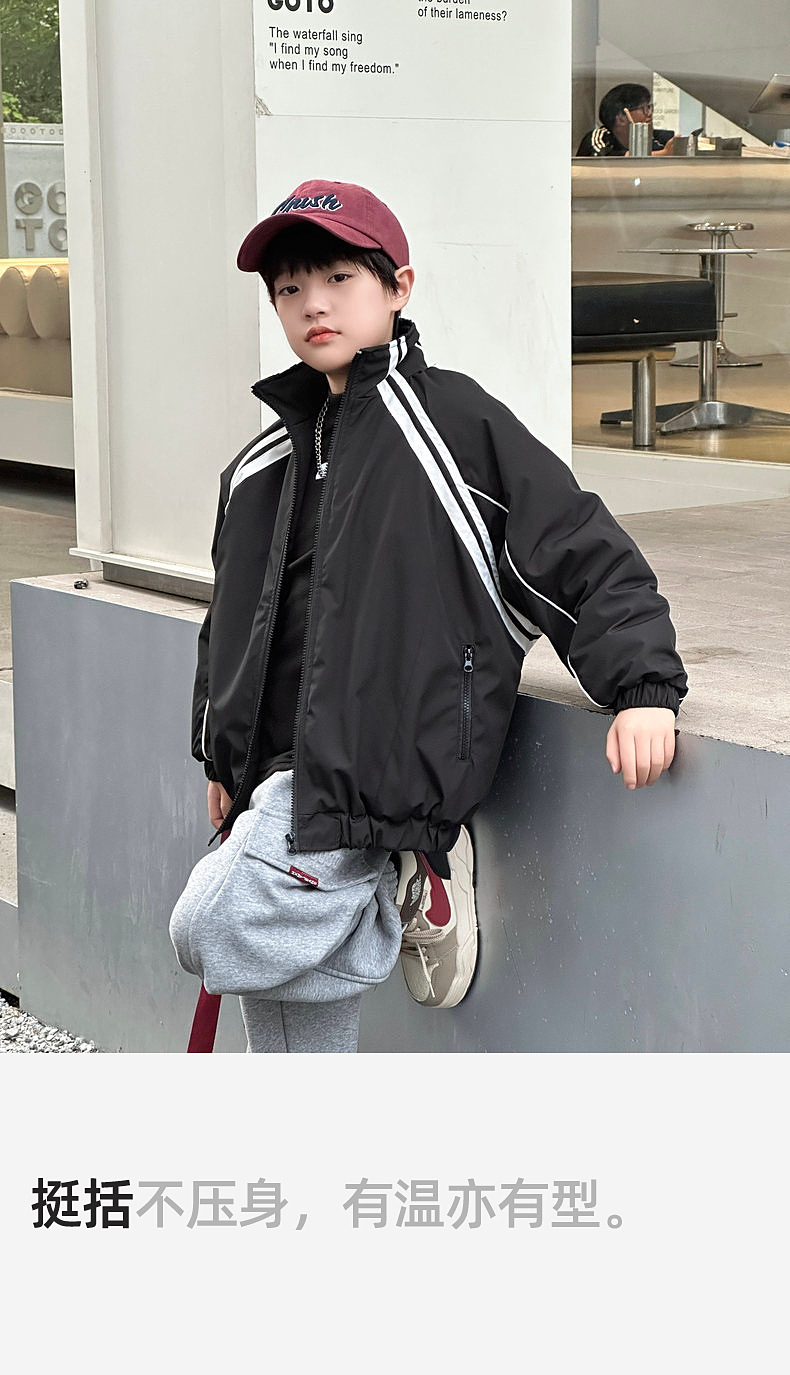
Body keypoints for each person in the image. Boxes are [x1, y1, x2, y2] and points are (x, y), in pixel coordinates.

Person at [169, 179, 687, 1053]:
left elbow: (580, 549)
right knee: (287, 1043)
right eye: (290, 288)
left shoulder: (455, 425)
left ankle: (397, 874)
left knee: (207, 927)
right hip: (275, 781)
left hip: (376, 770)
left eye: (339, 278)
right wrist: (218, 752)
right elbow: (227, 624)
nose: (313, 304)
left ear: (398, 287)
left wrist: (642, 686)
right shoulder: (257, 466)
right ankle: (403, 880)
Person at [576, 83, 675, 157]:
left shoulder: (654, 138)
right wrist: (663, 154)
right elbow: (604, 160)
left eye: (649, 107)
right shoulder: (599, 137)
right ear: (621, 117)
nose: (649, 113)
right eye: (644, 109)